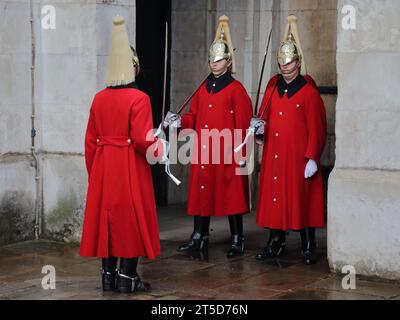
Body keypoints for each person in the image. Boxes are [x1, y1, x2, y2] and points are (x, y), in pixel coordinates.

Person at [80, 16, 164, 293]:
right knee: (130, 221)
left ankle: (107, 276)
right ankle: (127, 278)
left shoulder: (98, 98)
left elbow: (90, 141)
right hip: (128, 166)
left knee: (107, 223)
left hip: (104, 166)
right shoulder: (139, 99)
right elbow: (142, 139)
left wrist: (96, 173)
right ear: (135, 69)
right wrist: (160, 148)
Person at [164, 16, 253, 258]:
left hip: (228, 151)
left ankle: (237, 238)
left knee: (232, 196)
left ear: (228, 61)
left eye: (219, 59)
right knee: (202, 192)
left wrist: (242, 154)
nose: (214, 63)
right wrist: (180, 121)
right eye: (211, 59)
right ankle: (199, 236)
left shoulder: (237, 90)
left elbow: (244, 126)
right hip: (205, 150)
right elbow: (194, 117)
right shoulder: (203, 88)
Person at [255, 15, 327, 265]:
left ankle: (308, 243)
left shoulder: (308, 93)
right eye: (282, 63)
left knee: (303, 199)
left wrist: (312, 157)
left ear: (297, 63)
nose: (285, 66)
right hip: (275, 154)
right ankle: (276, 241)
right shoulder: (273, 89)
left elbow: (317, 128)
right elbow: (264, 119)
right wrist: (258, 128)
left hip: (299, 157)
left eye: (290, 62)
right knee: (276, 198)